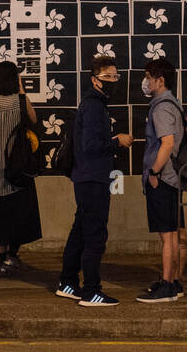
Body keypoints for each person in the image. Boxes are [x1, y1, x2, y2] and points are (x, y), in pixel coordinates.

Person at [57, 55, 134, 306]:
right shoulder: (93, 106)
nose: (112, 81)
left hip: (88, 177)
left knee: (80, 231)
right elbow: (91, 145)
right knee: (95, 236)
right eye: (107, 77)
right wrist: (117, 140)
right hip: (93, 178)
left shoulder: (95, 104)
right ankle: (91, 291)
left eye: (115, 76)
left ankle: (68, 283)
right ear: (94, 79)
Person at [0, 62, 43, 277]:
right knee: (18, 212)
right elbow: (33, 119)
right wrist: (22, 91)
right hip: (16, 166)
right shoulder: (19, 101)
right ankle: (12, 255)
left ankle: (3, 257)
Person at [135, 59, 185, 304]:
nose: (145, 82)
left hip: (163, 179)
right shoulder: (171, 104)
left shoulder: (162, 107)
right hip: (173, 179)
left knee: (167, 236)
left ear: (160, 80)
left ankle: (167, 285)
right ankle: (173, 282)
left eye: (148, 77)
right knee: (172, 234)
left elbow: (167, 144)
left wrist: (154, 173)